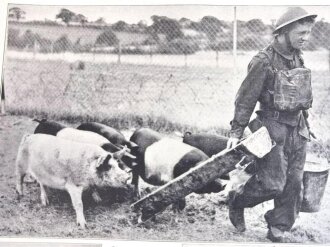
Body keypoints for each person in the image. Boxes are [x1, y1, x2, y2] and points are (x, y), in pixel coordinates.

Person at [226, 7, 317, 242]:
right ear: (283, 32)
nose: (305, 38)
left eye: (308, 33)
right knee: (273, 184)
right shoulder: (263, 61)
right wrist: (236, 131)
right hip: (272, 128)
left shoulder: (297, 56)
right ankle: (238, 199)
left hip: (297, 129)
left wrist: (306, 122)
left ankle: (279, 226)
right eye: (301, 33)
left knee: (294, 182)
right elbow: (245, 98)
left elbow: (298, 95)